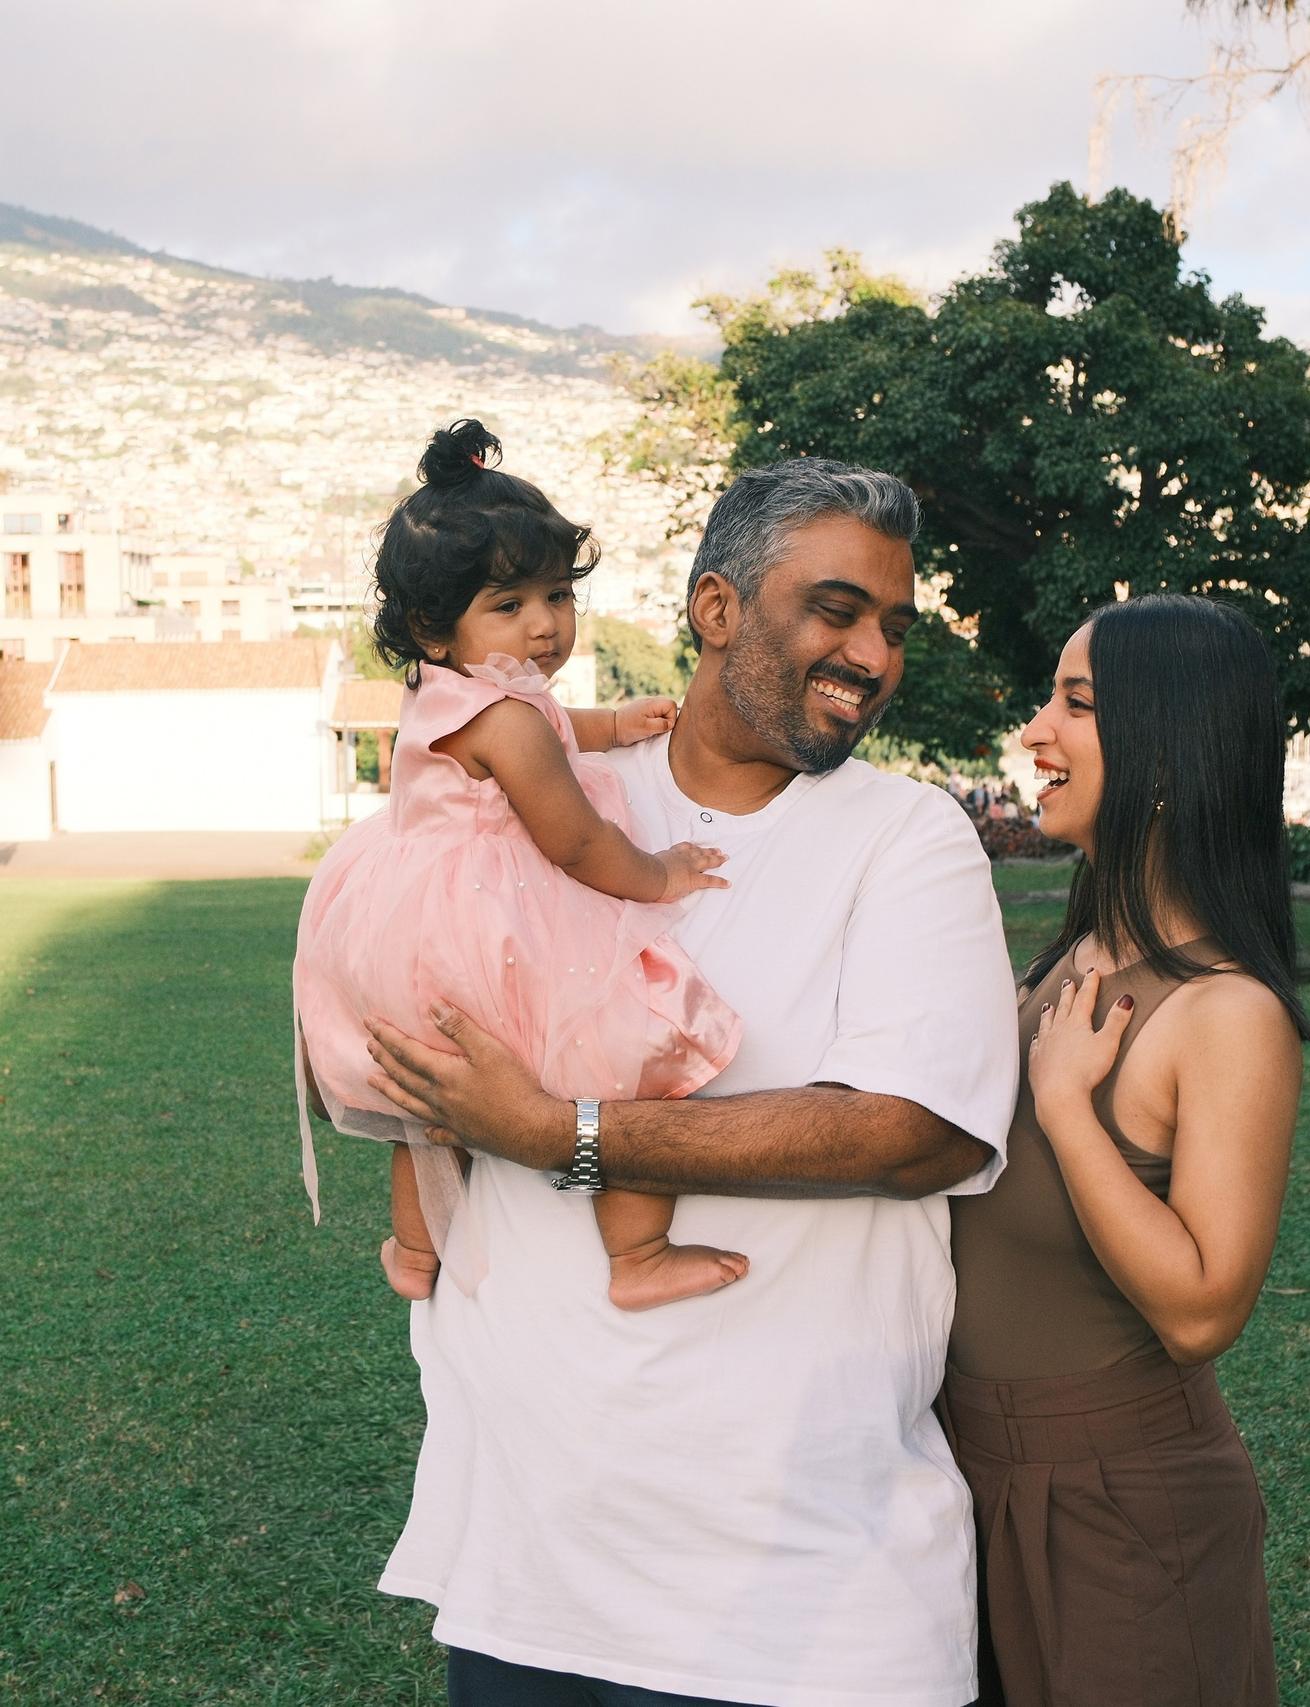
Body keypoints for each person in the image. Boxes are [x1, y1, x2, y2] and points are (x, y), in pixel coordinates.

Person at [356, 457, 1020, 1707]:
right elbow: (406, 982)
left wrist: (567, 1135)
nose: (873, 655)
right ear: (715, 610)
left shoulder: (907, 838)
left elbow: (912, 1133)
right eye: (836, 611)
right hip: (531, 1578)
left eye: (893, 627)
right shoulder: (546, 798)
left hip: (805, 1601)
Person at [945, 595, 1309, 1707]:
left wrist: (1066, 1113)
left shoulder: (1225, 1011)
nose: (1034, 733)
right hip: (964, 1475)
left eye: (1078, 704)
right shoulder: (1065, 961)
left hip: (1121, 1505)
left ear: (1166, 753)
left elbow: (1203, 1311)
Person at [295, 418, 748, 1312]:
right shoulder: (505, 723)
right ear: (433, 625)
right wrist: (660, 874)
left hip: (407, 925)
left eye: (555, 596)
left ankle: (414, 1253)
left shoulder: (452, 691)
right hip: (489, 920)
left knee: (433, 1114)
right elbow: (575, 839)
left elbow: (543, 719)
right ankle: (638, 1253)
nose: (544, 625)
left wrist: (609, 725)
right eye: (509, 607)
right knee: (639, 1053)